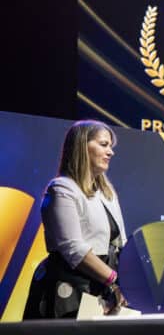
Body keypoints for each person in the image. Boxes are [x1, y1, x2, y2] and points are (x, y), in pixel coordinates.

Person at [24, 120, 127, 318]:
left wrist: (126, 283)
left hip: (103, 287)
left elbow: (121, 243)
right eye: (103, 144)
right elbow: (73, 248)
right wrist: (114, 279)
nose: (111, 152)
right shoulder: (62, 188)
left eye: (110, 146)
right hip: (71, 289)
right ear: (82, 146)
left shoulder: (107, 193)